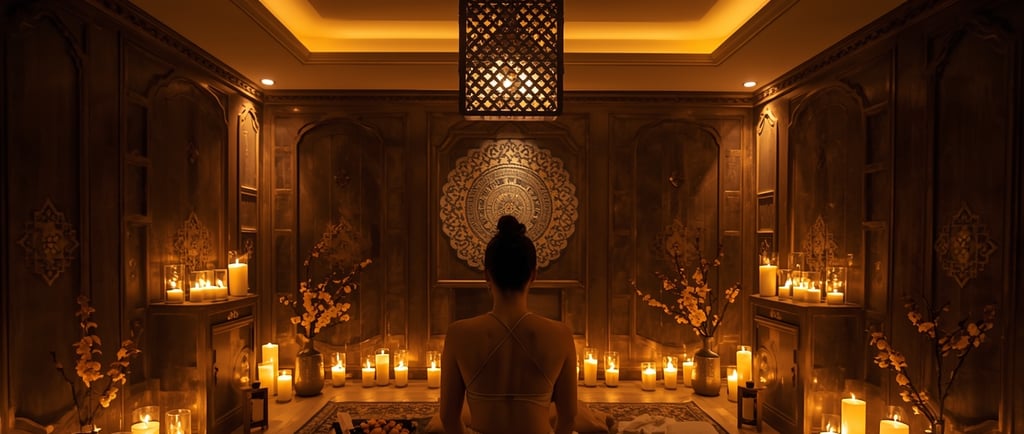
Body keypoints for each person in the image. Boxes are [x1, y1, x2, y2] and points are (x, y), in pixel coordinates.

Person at [440, 215, 577, 434]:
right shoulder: (560, 334)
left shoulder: (458, 334)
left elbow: (448, 419)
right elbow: (569, 418)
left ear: (486, 275)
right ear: (533, 275)